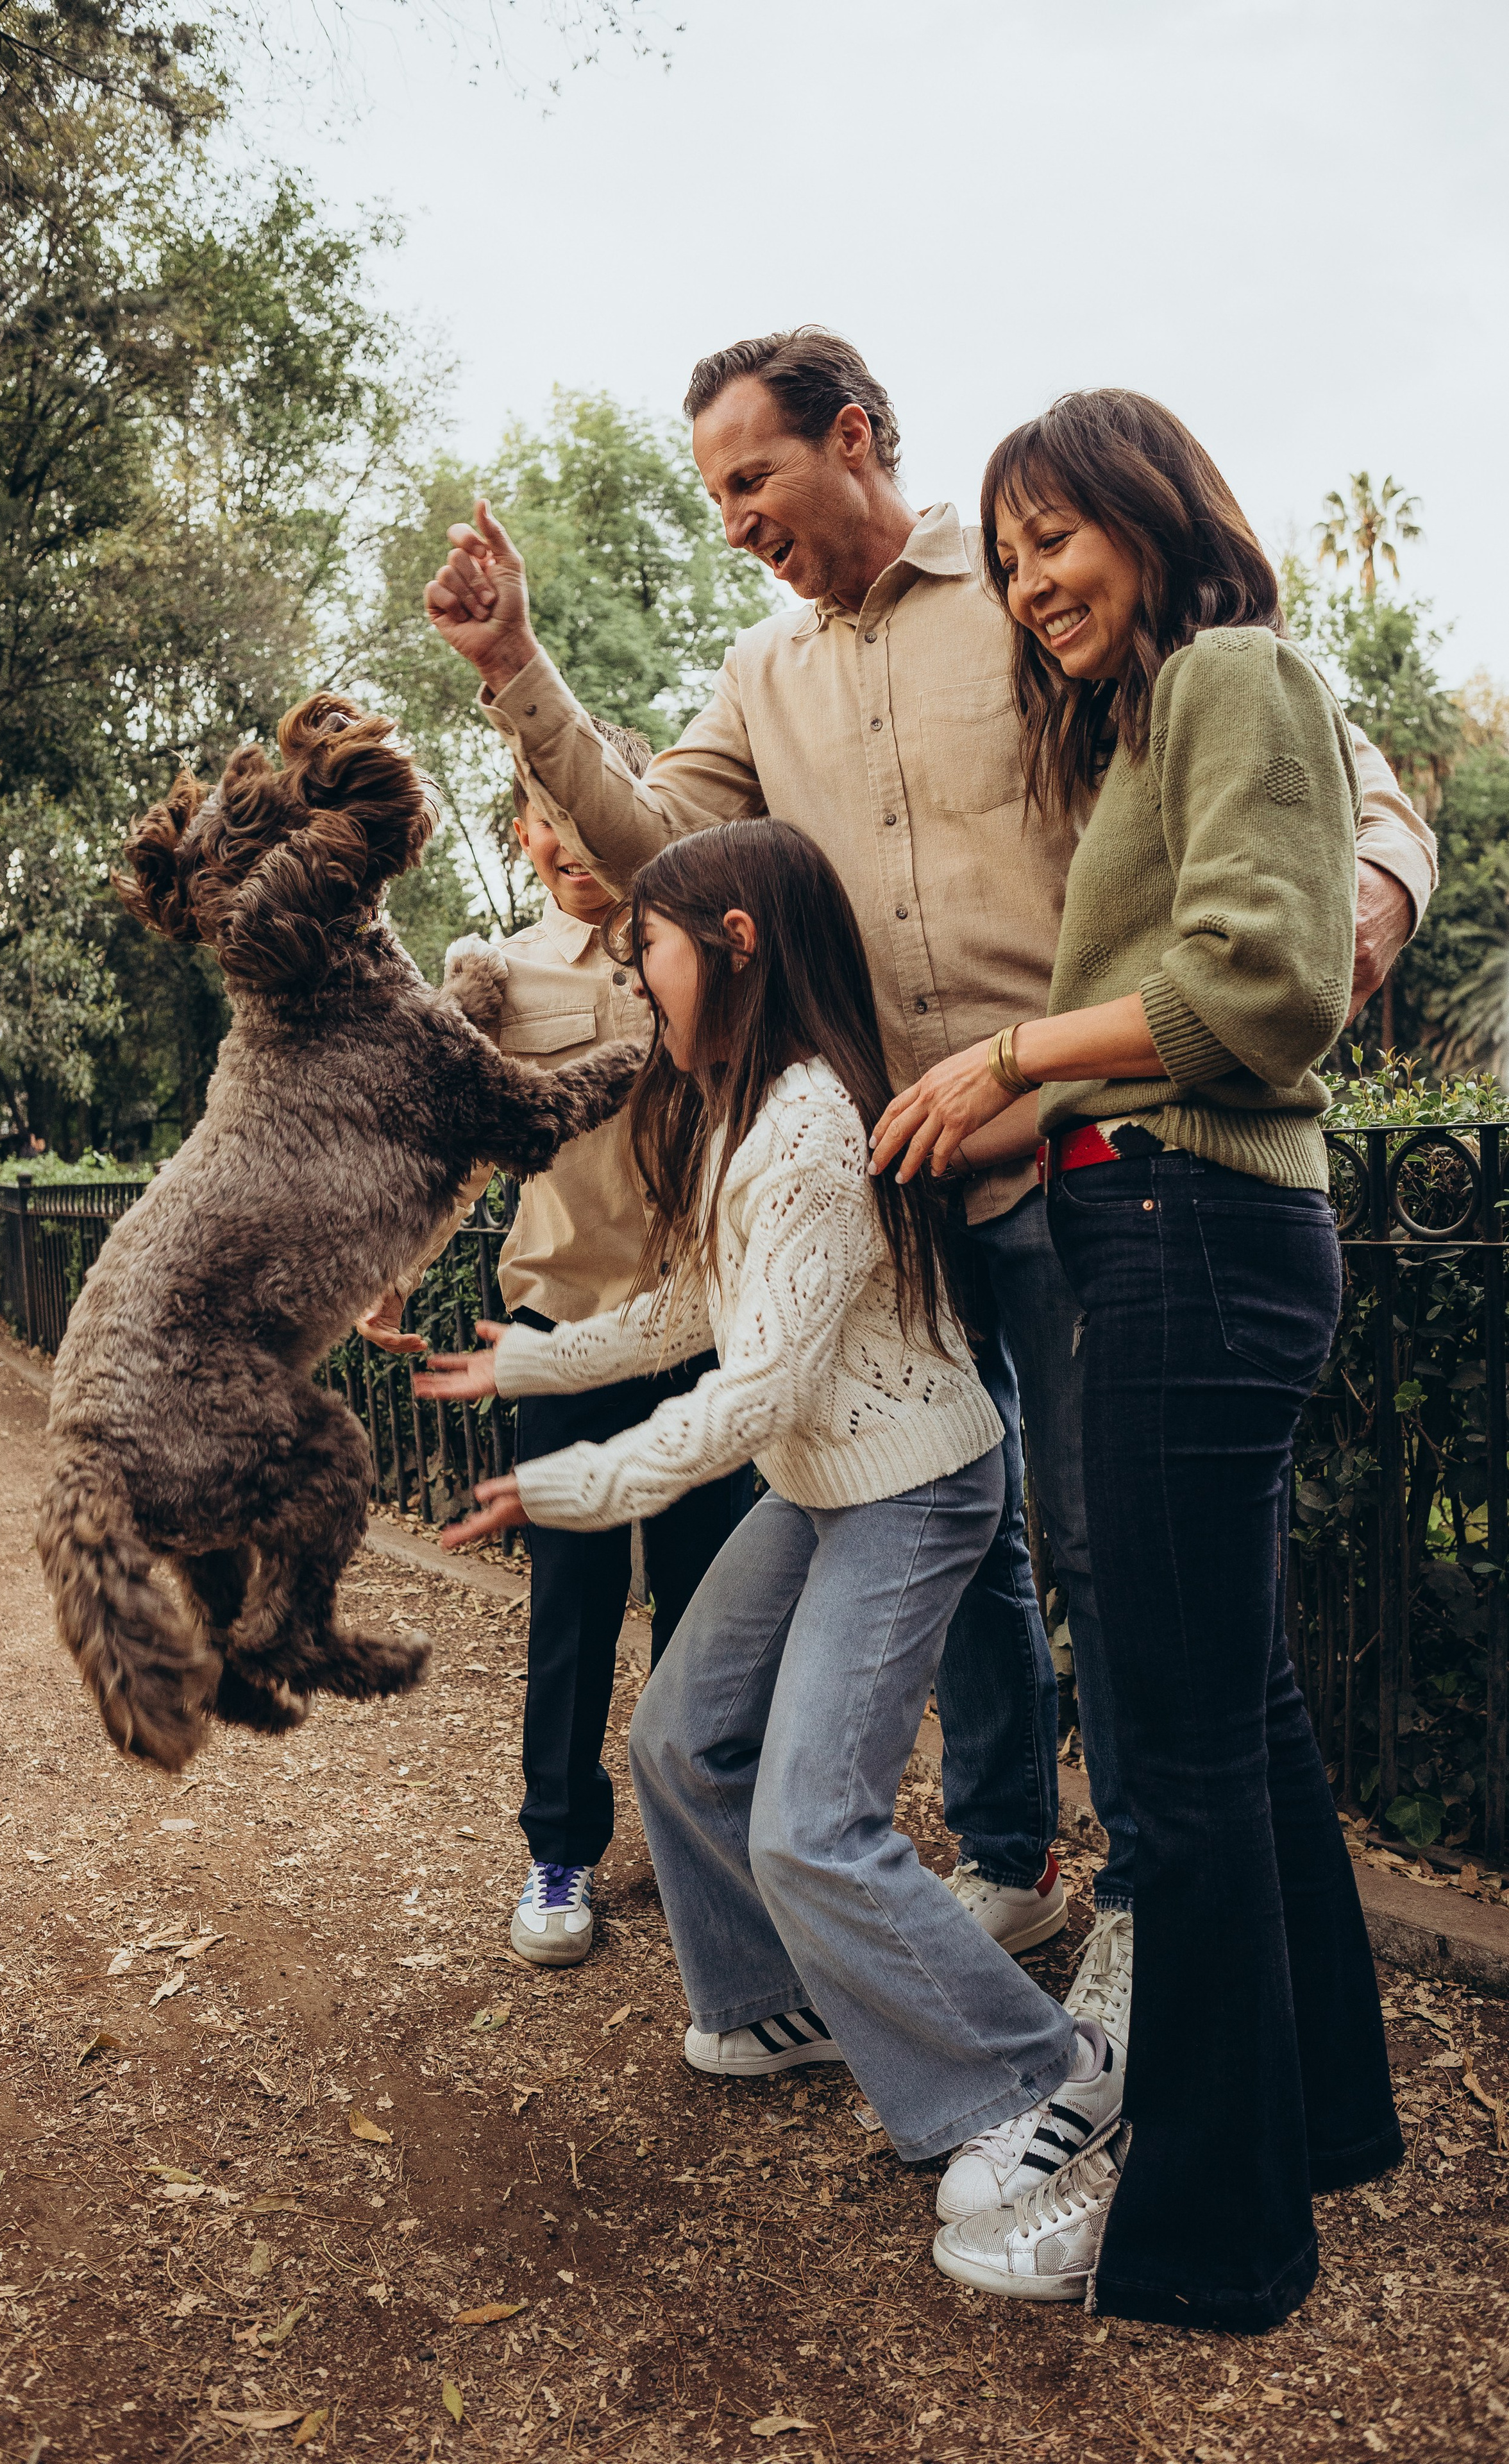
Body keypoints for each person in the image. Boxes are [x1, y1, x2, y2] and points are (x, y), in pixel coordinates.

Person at [421, 327, 1437, 2055]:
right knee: (951, 1524)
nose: (736, 520)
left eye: (753, 477)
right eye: (715, 495)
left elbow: (1348, 773)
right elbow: (652, 848)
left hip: (1107, 1156)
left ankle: (1147, 1918)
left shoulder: (1046, 591)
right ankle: (1019, 1851)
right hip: (909, 1176)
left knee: (1114, 1558)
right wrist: (517, 669)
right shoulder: (762, 678)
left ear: (858, 436)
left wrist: (1364, 919)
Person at [872, 390, 1401, 2327]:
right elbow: (1179, 1021)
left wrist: (1007, 1059)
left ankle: (1205, 2233)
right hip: (1164, 1222)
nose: (1025, 582)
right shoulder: (1166, 716)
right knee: (1240, 1728)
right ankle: (1324, 2115)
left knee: (1171, 1770)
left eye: (1051, 537)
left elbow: (1264, 987)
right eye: (1004, 557)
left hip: (1192, 1241)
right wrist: (1002, 1119)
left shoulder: (1237, 671)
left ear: (1149, 510)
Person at [412, 819, 1127, 2202]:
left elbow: (748, 1393)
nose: (636, 979)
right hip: (820, 1479)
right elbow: (691, 1306)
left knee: (813, 1822)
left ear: (733, 946)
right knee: (678, 1741)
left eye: (651, 953)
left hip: (909, 1486)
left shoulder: (804, 1125)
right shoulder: (738, 1104)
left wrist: (565, 1482)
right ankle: (760, 1997)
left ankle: (1035, 2071)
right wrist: (526, 1357)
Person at [363, 722, 751, 1968]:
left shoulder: (697, 958)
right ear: (520, 825)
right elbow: (451, 1152)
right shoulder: (498, 975)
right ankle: (559, 1849)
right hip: (558, 1330)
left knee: (702, 1609)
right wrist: (391, 1273)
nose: (565, 839)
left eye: (588, 812)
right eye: (541, 813)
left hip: (697, 1331)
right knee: (573, 1611)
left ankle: (711, 1852)